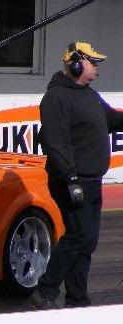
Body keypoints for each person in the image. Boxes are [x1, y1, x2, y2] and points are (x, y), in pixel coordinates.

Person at [30, 42, 123, 310]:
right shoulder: (56, 98)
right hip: (72, 181)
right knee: (79, 236)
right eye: (93, 63)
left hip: (91, 180)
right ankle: (45, 291)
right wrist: (70, 178)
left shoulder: (89, 95)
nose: (97, 69)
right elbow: (56, 142)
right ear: (75, 63)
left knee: (87, 241)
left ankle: (78, 299)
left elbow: (112, 120)